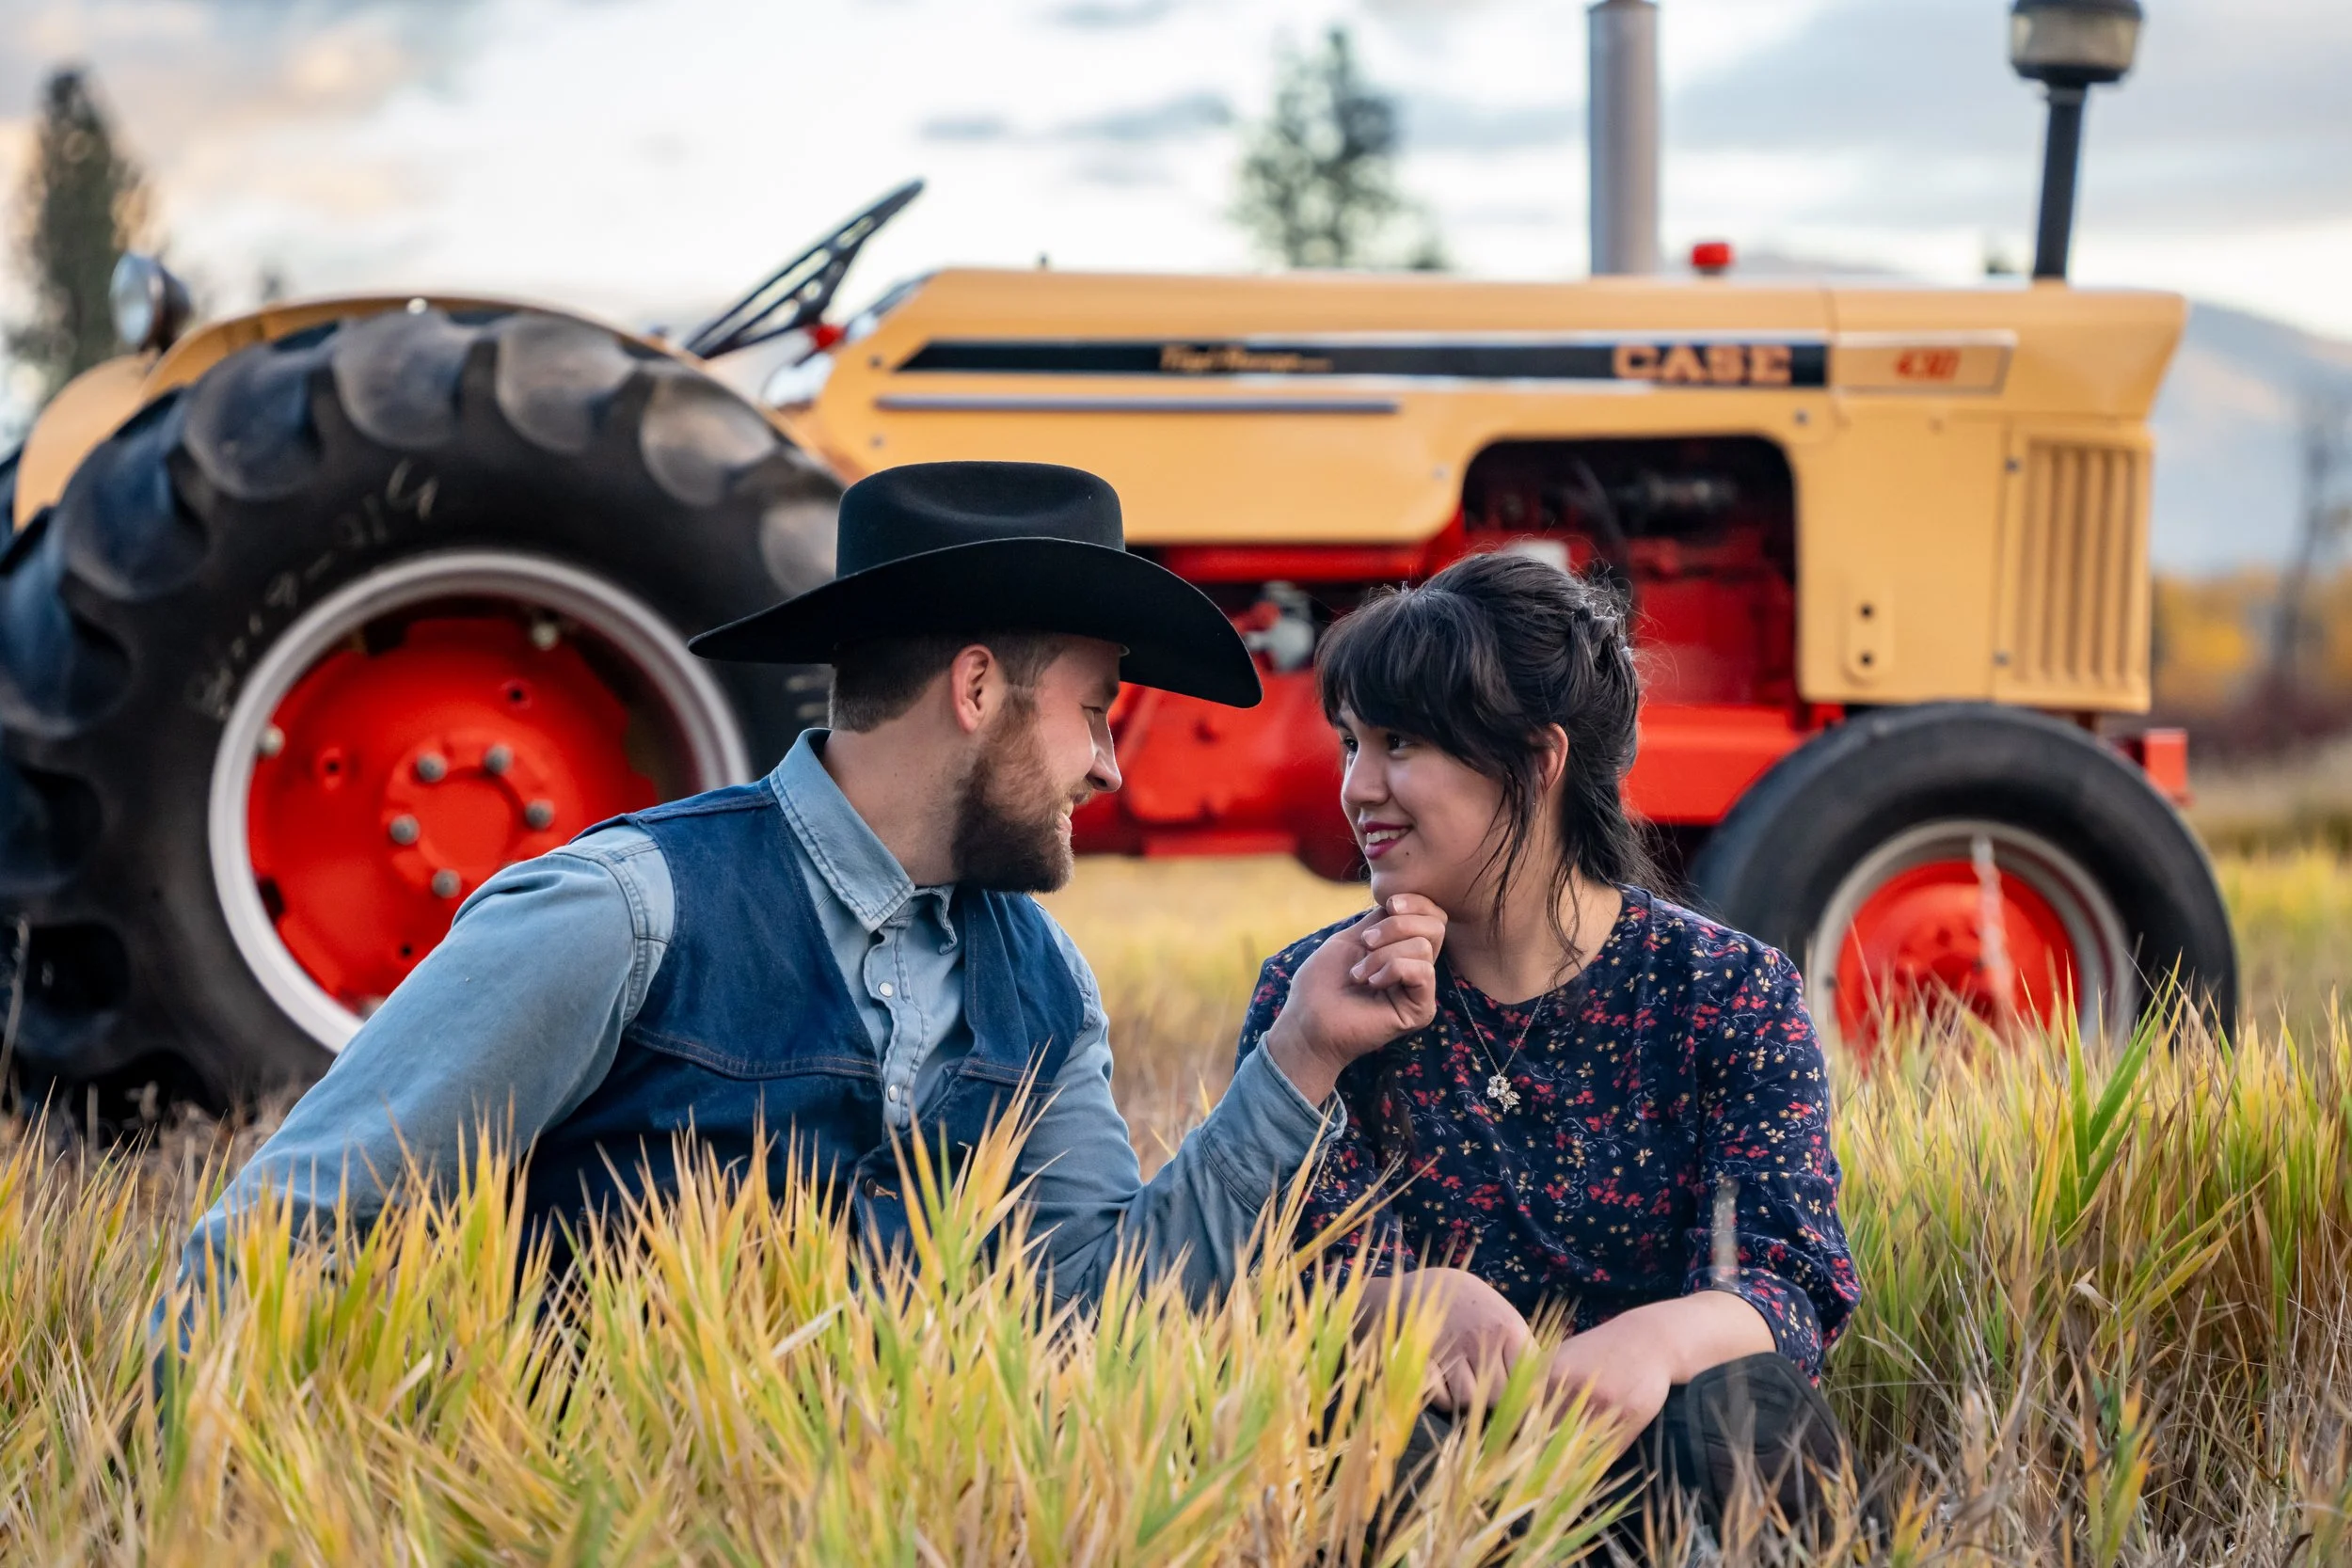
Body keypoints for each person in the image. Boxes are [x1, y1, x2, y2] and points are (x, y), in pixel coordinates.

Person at [175, 461, 1447, 1310]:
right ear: (975, 689)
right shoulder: (619, 914)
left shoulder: (1041, 980)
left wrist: (1298, 1062)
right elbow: (275, 1245)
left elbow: (1104, 1308)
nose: (1111, 762)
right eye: (1094, 709)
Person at [1236, 550, 1864, 1538]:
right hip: (1437, 1480)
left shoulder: (1725, 991)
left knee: (1745, 1413)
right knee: (1363, 1422)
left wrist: (1650, 1345)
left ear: (1537, 759)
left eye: (1398, 743)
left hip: (1668, 1456)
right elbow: (1293, 1280)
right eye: (1351, 743)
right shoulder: (1311, 994)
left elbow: (1787, 1279)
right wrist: (1400, 1299)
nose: (1358, 786)